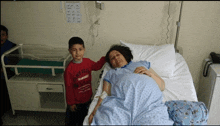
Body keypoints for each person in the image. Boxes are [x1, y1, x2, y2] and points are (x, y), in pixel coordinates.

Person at [88, 45, 174, 125]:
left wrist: (150, 74)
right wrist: (94, 111)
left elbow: (162, 86)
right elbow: (104, 94)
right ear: (111, 63)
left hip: (148, 104)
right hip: (121, 105)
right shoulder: (111, 73)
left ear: (124, 55)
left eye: (118, 55)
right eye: (112, 58)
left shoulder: (141, 64)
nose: (116, 58)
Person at [64, 37, 106, 126]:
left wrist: (104, 58)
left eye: (80, 49)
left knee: (83, 119)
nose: (77, 53)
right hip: (76, 103)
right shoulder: (69, 69)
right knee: (73, 120)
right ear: (69, 51)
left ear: (84, 50)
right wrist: (71, 103)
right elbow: (69, 87)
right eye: (74, 50)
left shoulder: (87, 62)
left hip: (87, 98)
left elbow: (96, 66)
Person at [1, 25, 19, 124]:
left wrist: (3, 69)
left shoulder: (12, 47)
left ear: (7, 36)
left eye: (3, 35)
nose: (1, 37)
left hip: (7, 76)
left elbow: (14, 63)